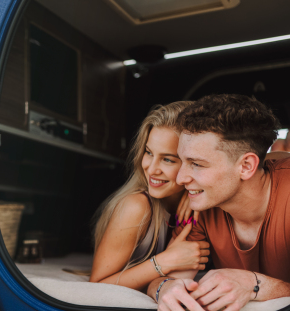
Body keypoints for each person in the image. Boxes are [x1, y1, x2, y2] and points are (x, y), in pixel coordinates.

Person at [148, 94, 290, 311]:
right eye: (181, 161)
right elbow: (167, 280)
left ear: (246, 166)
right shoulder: (201, 202)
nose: (181, 178)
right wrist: (166, 291)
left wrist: (254, 284)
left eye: (197, 164)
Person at [90, 102, 210, 291]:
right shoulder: (136, 206)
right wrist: (165, 261)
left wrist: (194, 189)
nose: (151, 169)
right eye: (148, 152)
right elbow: (97, 286)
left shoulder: (204, 202)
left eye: (168, 159)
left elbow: (269, 159)